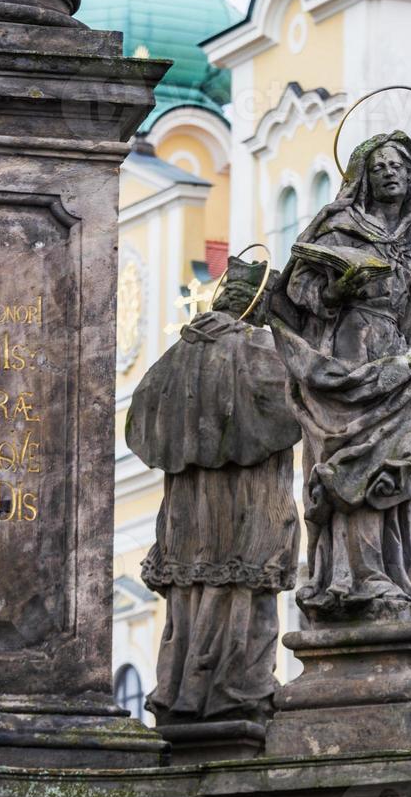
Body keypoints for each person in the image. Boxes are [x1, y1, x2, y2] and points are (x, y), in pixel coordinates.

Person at [270, 132, 411, 614]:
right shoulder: (339, 226)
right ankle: (361, 574)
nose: (389, 172)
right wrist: (336, 292)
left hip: (398, 353)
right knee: (360, 458)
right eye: (378, 167)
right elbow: (295, 292)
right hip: (350, 353)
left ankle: (409, 567)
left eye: (399, 164)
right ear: (364, 179)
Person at [127, 257, 300, 724]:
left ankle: (179, 690)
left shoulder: (175, 356)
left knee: (190, 594)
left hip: (186, 509)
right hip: (247, 501)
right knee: (245, 589)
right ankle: (239, 688)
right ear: (256, 307)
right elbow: (299, 404)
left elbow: (140, 423)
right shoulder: (256, 350)